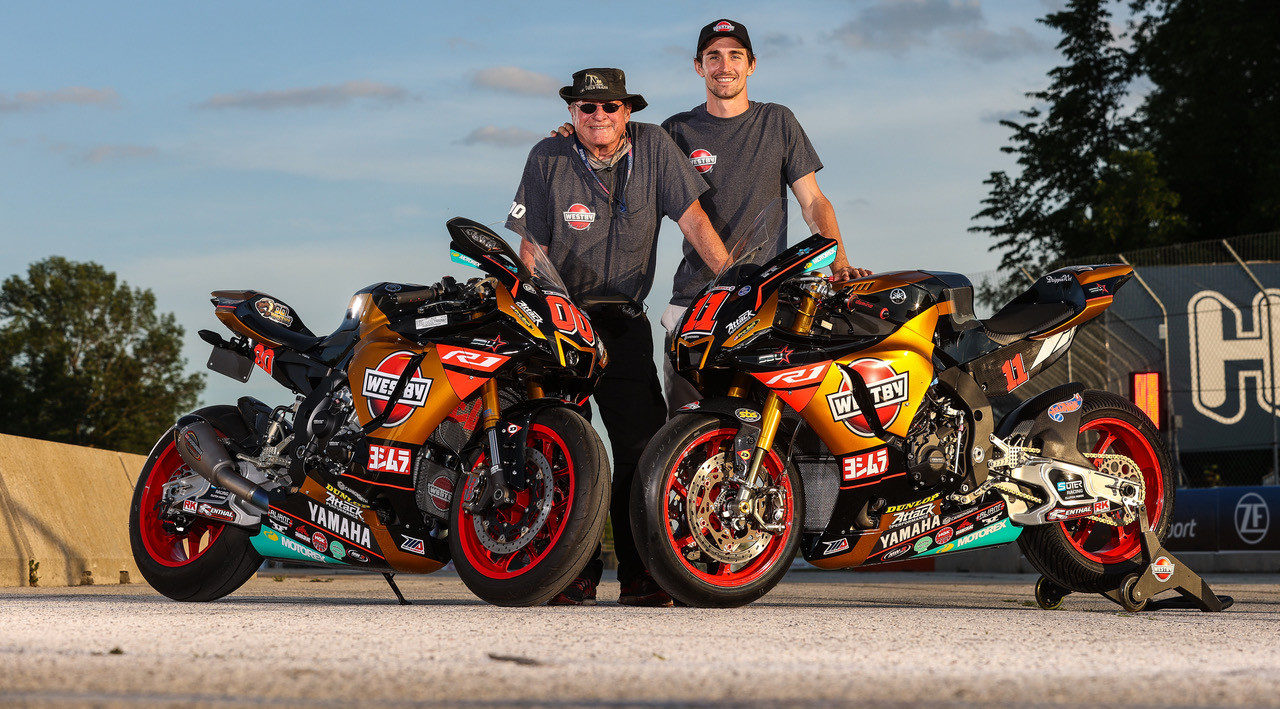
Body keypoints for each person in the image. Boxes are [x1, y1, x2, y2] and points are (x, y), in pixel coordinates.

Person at [554, 20, 871, 414]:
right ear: (698, 66)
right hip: (694, 306)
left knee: (771, 435)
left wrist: (839, 261)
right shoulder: (673, 132)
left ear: (751, 65)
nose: (725, 65)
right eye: (713, 56)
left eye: (735, 55)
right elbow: (606, 134)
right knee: (685, 441)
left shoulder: (777, 121)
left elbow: (813, 202)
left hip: (767, 304)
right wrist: (575, 136)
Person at [506, 68, 730, 606]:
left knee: (642, 447)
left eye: (610, 107)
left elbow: (694, 219)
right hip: (559, 318)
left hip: (623, 320)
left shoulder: (653, 146)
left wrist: (733, 276)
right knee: (561, 447)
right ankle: (569, 575)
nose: (599, 116)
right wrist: (535, 305)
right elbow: (531, 247)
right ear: (572, 114)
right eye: (587, 108)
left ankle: (643, 575)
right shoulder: (547, 155)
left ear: (627, 110)